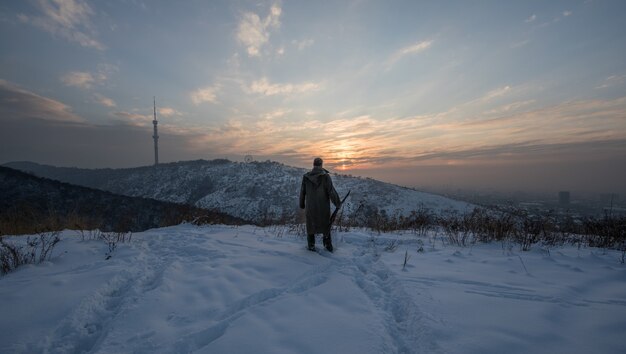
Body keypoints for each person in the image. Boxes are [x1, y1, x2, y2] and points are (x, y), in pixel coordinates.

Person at [299, 157, 341, 252]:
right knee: (326, 226)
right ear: (321, 165)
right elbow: (331, 192)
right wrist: (338, 203)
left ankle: (311, 246)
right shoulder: (325, 177)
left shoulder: (306, 177)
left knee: (310, 227)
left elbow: (302, 192)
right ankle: (327, 246)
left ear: (313, 165)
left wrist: (302, 204)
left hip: (310, 207)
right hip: (323, 208)